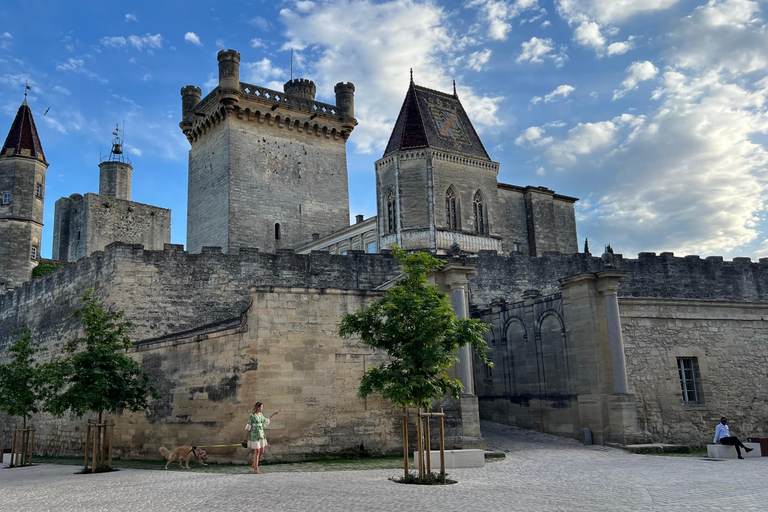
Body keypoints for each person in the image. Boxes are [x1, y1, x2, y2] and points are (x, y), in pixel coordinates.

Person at [244, 402, 278, 473]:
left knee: (261, 451)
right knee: (257, 451)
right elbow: (248, 426)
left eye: (262, 407)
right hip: (254, 435)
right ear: (257, 407)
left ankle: (254, 464)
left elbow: (266, 421)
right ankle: (256, 469)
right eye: (261, 407)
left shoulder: (261, 415)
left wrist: (273, 414)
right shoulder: (252, 416)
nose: (262, 408)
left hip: (261, 434)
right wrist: (246, 437)